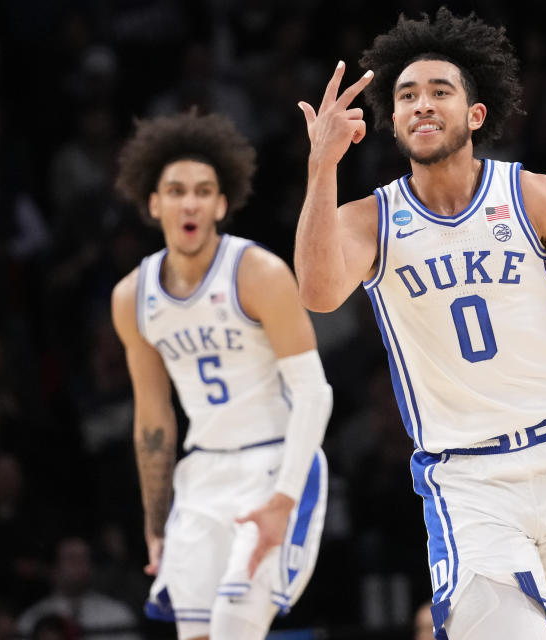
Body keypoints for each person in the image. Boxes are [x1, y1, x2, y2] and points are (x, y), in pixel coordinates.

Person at [294, 8, 546, 639]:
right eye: (406, 96)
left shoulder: (535, 195)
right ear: (393, 121)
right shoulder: (369, 220)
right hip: (467, 477)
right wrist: (322, 169)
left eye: (439, 92)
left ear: (475, 115)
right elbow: (319, 295)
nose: (422, 105)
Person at [110, 111, 331, 640]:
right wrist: (155, 522)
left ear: (221, 203)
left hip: (274, 464)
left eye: (204, 191)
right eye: (177, 190)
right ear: (154, 202)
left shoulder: (258, 273)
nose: (190, 202)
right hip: (202, 477)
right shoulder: (131, 297)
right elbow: (154, 418)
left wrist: (283, 499)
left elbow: (314, 393)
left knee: (236, 628)